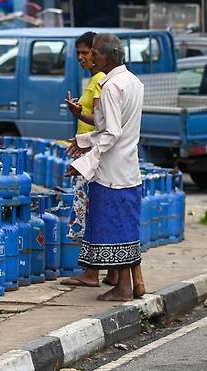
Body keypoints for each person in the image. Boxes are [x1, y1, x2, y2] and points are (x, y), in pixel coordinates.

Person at [66, 33, 145, 302]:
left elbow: (110, 133)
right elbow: (114, 131)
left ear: (108, 56)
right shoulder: (134, 82)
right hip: (129, 169)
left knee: (113, 227)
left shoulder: (111, 87)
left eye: (95, 54)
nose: (91, 58)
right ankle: (123, 284)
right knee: (125, 227)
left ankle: (123, 287)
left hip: (111, 173)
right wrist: (83, 140)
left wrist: (84, 163)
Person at [61, 31, 118, 288]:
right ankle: (113, 272)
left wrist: (78, 114)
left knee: (88, 212)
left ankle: (91, 272)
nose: (82, 57)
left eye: (87, 52)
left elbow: (101, 122)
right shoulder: (102, 80)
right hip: (92, 150)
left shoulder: (99, 81)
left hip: (91, 155)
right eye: (80, 53)